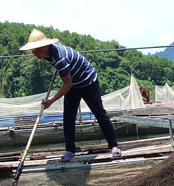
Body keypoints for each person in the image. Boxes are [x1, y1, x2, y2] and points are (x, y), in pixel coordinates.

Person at [19, 29, 121, 162]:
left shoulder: (60, 59)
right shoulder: (48, 52)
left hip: (87, 81)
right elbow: (59, 46)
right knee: (68, 117)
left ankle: (114, 146)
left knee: (99, 113)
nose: (34, 53)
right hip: (73, 83)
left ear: (45, 46)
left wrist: (51, 101)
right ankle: (70, 150)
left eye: (37, 50)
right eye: (32, 50)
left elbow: (67, 84)